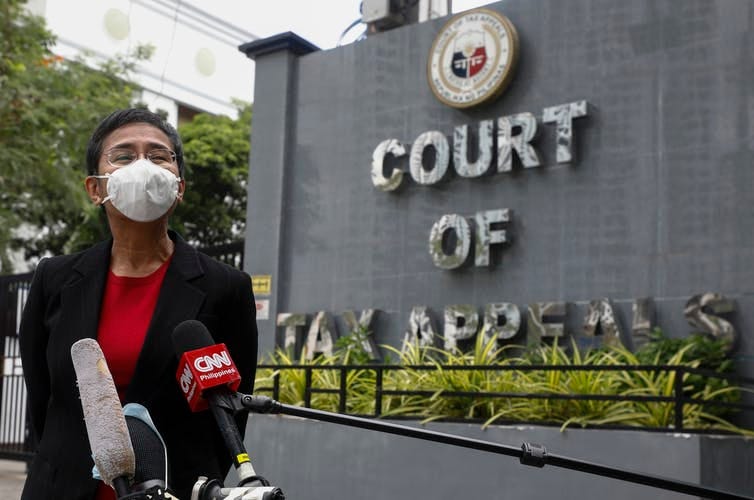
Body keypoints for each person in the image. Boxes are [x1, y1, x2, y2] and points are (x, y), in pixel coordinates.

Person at [18, 108, 258, 500]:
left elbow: (228, 416)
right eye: (124, 156)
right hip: (61, 488)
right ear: (95, 188)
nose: (143, 165)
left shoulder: (225, 287)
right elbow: (43, 400)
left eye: (160, 155)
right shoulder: (55, 279)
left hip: (173, 488)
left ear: (179, 186)